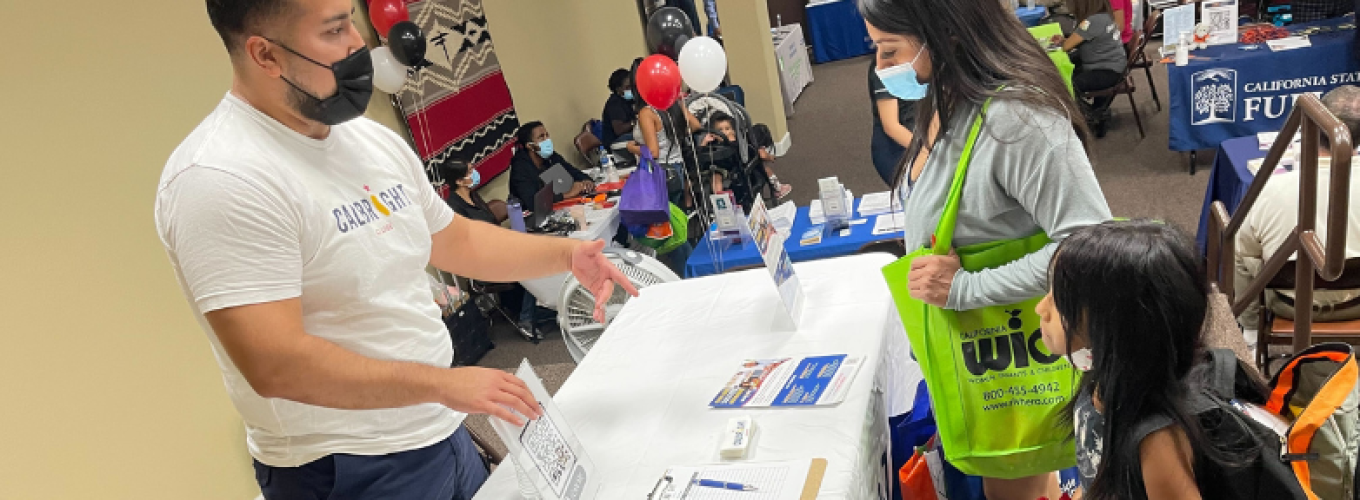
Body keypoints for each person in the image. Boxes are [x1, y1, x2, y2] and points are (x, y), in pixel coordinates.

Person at [157, 1, 638, 498]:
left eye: (352, 21)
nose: (356, 45)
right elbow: (276, 362)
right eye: (335, 29)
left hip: (440, 426)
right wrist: (441, 384)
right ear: (265, 55)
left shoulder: (367, 140)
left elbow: (455, 238)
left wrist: (562, 255)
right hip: (348, 463)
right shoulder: (220, 179)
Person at [859, 0, 1112, 498]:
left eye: (890, 52)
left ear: (946, 36)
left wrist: (964, 287)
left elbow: (1086, 242)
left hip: (1005, 354)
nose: (880, 69)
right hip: (978, 346)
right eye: (875, 51)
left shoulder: (1015, 118)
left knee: (1014, 480)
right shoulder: (948, 97)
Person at [1037, 219, 1269, 500]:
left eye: (1059, 302)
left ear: (1116, 325)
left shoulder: (1158, 439)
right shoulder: (1106, 378)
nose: (1041, 309)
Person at [1235, 85, 1360, 331]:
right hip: (1357, 300)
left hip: (1290, 302)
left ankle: (1249, 332)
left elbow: (1243, 251)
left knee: (1241, 250)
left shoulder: (1273, 188)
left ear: (1311, 125)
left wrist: (1248, 323)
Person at [441, 160, 555, 339]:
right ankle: (526, 319)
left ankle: (537, 307)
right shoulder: (454, 209)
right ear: (459, 181)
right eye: (470, 171)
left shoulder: (474, 196)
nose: (475, 173)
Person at [1051, 0, 1127, 138]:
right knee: (1072, 72)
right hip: (1113, 66)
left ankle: (1090, 116)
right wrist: (1064, 40)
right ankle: (1097, 110)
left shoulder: (1091, 21)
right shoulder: (1104, 15)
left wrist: (1064, 42)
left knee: (1069, 84)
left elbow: (1067, 47)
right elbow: (1075, 41)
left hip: (1107, 70)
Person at [701, 112, 793, 199]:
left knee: (765, 169)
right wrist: (704, 142)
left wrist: (732, 140)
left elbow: (742, 152)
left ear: (733, 130)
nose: (724, 133)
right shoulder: (713, 143)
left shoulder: (736, 141)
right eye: (720, 130)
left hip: (737, 167)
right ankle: (719, 200)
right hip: (722, 168)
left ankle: (778, 188)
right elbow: (702, 153)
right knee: (715, 178)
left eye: (727, 129)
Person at [509, 121, 595, 209]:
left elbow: (572, 170)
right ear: (530, 146)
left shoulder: (551, 156)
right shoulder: (520, 168)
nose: (547, 140)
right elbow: (532, 202)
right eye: (541, 137)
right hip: (533, 217)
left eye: (547, 135)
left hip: (559, 207)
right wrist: (567, 195)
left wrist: (586, 180)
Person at [869, 57, 917, 186]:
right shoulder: (885, 68)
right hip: (897, 150)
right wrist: (931, 152)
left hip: (924, 140)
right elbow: (891, 126)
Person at [601, 68, 636, 147]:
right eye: (627, 87)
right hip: (615, 142)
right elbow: (619, 130)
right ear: (618, 89)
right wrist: (635, 122)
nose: (631, 90)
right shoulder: (615, 104)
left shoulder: (627, 100)